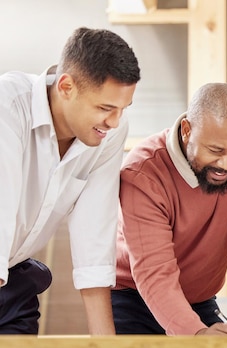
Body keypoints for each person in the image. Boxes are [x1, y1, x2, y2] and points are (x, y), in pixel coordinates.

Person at [113, 82, 227, 336]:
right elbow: (155, 274)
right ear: (187, 131)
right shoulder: (143, 172)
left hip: (199, 298)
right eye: (215, 150)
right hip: (131, 298)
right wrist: (196, 334)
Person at [0, 27, 140, 334]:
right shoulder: (7, 107)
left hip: (15, 285)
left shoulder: (110, 131)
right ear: (66, 86)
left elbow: (94, 238)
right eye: (105, 108)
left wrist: (105, 343)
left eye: (122, 109)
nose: (114, 122)